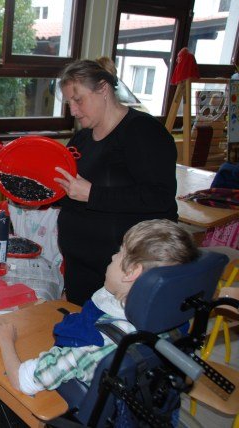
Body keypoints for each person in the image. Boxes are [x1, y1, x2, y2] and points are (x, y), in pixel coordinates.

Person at [0, 219, 198, 396]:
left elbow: (23, 381)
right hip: (133, 393)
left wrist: (6, 340)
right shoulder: (173, 318)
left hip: (72, 404)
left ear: (132, 272)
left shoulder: (94, 343)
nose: (113, 257)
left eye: (120, 252)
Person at [53, 59, 178, 305]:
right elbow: (71, 191)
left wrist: (93, 194)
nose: (73, 111)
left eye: (78, 100)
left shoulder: (143, 132)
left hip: (123, 274)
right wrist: (43, 194)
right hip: (80, 267)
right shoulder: (81, 138)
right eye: (69, 103)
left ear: (103, 89)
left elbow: (159, 197)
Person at [0, 200, 62, 272]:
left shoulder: (58, 211)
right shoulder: (13, 204)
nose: (23, 205)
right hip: (24, 266)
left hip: (53, 269)